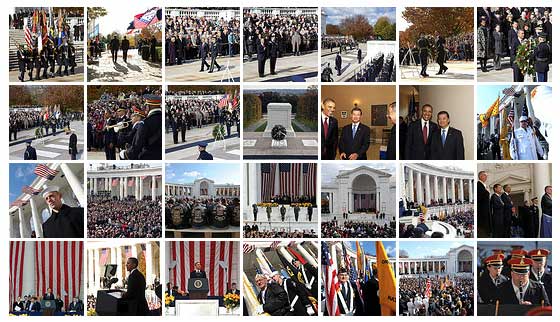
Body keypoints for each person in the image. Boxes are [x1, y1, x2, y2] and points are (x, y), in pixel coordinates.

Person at [138, 94, 162, 160]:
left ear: (148, 106)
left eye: (146, 106)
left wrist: (126, 154)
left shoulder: (145, 122)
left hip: (149, 155)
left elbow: (138, 144)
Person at [477, 171, 491, 237]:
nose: (486, 177)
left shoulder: (483, 185)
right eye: (485, 175)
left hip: (485, 210)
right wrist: (487, 192)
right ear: (480, 176)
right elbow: (480, 197)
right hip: (482, 212)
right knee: (483, 230)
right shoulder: (478, 185)